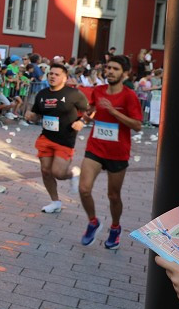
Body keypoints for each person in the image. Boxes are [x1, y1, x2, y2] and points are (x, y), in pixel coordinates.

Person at [77, 55, 143, 249]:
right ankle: (93, 222)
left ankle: (115, 228)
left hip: (118, 152)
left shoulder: (129, 95)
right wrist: (87, 116)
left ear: (125, 73)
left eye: (115, 69)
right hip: (95, 148)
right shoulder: (98, 91)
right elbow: (92, 109)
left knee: (113, 196)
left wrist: (114, 112)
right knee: (84, 189)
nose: (110, 72)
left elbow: (138, 125)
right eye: (108, 68)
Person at [25, 62, 90, 214]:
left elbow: (91, 110)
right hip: (46, 137)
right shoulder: (42, 94)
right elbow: (36, 115)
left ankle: (73, 174)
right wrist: (31, 116)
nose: (52, 76)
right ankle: (55, 202)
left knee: (58, 173)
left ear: (65, 78)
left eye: (57, 74)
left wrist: (82, 121)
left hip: (65, 139)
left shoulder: (73, 94)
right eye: (50, 74)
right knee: (46, 171)